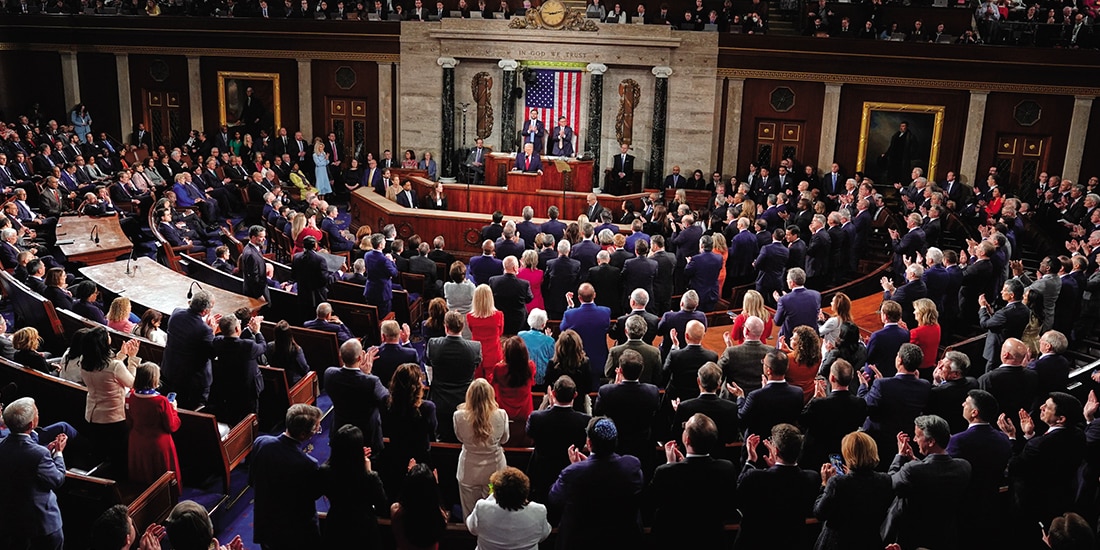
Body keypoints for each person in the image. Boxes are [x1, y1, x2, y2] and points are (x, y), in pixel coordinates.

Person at [548, 417, 644, 548]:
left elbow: (554, 498)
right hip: (621, 540)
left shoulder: (573, 473)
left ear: (589, 443)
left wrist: (578, 467)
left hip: (581, 542)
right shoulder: (631, 466)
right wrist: (583, 467)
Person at [998, 391, 1086, 529]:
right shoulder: (1079, 435)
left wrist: (1012, 436)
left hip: (1033, 503)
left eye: (1047, 407)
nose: (1041, 407)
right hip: (1063, 497)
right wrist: (1030, 434)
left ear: (1060, 419)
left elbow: (1014, 467)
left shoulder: (1038, 445)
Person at [883, 415, 972, 549]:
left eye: (917, 436)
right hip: (946, 537)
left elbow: (890, 483)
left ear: (931, 442)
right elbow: (933, 473)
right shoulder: (964, 467)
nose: (914, 440)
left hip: (915, 539)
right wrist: (915, 460)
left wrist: (900, 455)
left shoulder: (912, 470)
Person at [650, 412, 738, 547]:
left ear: (687, 440)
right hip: (712, 539)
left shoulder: (665, 472)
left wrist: (670, 465)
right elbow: (729, 507)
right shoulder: (726, 469)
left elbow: (651, 502)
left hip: (674, 539)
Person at [735, 424, 821, 550]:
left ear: (775, 450)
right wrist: (774, 467)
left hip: (757, 542)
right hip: (793, 543)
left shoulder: (754, 477)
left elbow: (737, 498)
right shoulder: (812, 478)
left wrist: (750, 461)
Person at [251, 404, 324, 549]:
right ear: (303, 435)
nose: (317, 431)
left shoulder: (261, 443)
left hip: (266, 526)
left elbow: (252, 481)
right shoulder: (308, 464)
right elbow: (313, 495)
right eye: (316, 428)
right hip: (295, 533)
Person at [0, 398, 67, 550]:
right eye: (37, 412)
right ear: (31, 424)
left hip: (10, 522)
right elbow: (57, 479)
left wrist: (46, 452)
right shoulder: (39, 454)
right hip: (41, 525)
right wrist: (58, 453)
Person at [813, 431, 894, 550]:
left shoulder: (837, 483)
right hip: (869, 543)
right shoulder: (885, 480)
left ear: (847, 454)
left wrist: (825, 484)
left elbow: (819, 513)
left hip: (838, 544)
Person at [82, 327, 140, 479]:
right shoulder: (114, 366)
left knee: (101, 453)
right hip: (113, 418)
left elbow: (107, 370)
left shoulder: (85, 361)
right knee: (119, 455)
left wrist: (122, 355)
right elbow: (132, 383)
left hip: (92, 415)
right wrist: (132, 360)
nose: (109, 335)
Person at [319, 425, 387, 547]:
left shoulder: (325, 471)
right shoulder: (368, 477)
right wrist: (368, 471)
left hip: (336, 527)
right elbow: (382, 506)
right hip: (364, 531)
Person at [454, 378, 510, 519]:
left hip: (469, 471)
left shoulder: (459, 416)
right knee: (493, 511)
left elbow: (460, 438)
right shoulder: (501, 415)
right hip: (494, 471)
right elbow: (504, 439)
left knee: (469, 513)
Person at [325, 338, 389, 456]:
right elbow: (387, 399)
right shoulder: (371, 382)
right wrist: (367, 374)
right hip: (366, 436)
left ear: (340, 356)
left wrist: (361, 374)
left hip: (340, 428)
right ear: (360, 358)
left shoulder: (329, 374)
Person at [800, 360, 868, 469]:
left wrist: (815, 398)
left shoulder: (818, 404)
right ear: (851, 378)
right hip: (845, 455)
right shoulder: (860, 403)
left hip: (816, 457)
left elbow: (801, 421)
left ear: (831, 378)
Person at [382, 363, 437, 492]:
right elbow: (432, 431)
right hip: (422, 461)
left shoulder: (387, 405)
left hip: (395, 459)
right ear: (416, 387)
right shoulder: (427, 408)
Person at [426, 311, 481, 442]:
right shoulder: (475, 347)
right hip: (465, 401)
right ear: (462, 327)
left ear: (446, 327)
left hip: (440, 400)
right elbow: (476, 367)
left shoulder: (433, 344)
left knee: (443, 436)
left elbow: (428, 367)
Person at [466, 467, 551, 549]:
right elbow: (544, 535)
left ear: (496, 494)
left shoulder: (482, 508)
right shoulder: (539, 511)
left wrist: (491, 497)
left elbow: (472, 528)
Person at [126, 362, 182, 485]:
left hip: (137, 441)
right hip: (158, 444)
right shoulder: (161, 401)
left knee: (142, 476)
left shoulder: (129, 396)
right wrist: (174, 409)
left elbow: (129, 421)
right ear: (154, 379)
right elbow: (171, 426)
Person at [161, 290, 218, 410]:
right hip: (192, 381)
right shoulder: (205, 330)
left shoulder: (176, 313)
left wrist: (204, 325)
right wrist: (212, 332)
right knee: (191, 409)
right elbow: (212, 353)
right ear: (205, 311)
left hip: (170, 370)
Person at [209, 315, 266, 425]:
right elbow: (263, 346)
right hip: (248, 389)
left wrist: (212, 331)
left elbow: (216, 340)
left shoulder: (218, 342)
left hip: (228, 385)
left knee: (233, 413)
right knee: (250, 415)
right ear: (236, 329)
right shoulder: (248, 345)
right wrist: (257, 331)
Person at [390, 463, 447, 550]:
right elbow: (435, 503)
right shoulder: (440, 517)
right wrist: (434, 485)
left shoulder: (396, 511)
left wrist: (410, 478)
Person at [492, 336, 537, 431]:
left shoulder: (499, 369)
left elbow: (492, 383)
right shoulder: (530, 367)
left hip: (503, 410)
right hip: (525, 410)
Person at [544, 329, 593, 412]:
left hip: (556, 406)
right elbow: (588, 388)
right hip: (578, 407)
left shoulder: (553, 364)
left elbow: (547, 386)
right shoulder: (584, 363)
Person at [468, 284, 505, 380]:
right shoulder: (499, 315)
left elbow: (471, 330)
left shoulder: (470, 317)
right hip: (493, 353)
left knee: (478, 383)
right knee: (493, 382)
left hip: (477, 352)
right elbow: (500, 333)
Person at [488, 256, 534, 335]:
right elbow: (529, 299)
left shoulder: (493, 281)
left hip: (500, 318)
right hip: (518, 321)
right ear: (515, 268)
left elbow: (490, 297)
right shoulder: (524, 284)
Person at [773, 267, 821, 342]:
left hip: (792, 340)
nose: (786, 281)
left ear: (792, 283)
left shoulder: (784, 300)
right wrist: (785, 300)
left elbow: (777, 322)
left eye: (787, 280)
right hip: (812, 339)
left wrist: (781, 302)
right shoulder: (816, 295)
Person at [779, 325, 822, 403]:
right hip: (810, 395)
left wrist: (781, 353)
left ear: (800, 344)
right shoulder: (818, 356)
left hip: (791, 396)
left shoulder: (788, 359)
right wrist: (791, 351)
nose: (790, 338)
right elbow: (803, 357)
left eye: (794, 338)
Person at [364, 233, 399, 318]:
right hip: (382, 293)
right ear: (380, 245)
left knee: (373, 317)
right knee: (384, 317)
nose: (385, 243)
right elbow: (395, 273)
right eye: (384, 241)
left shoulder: (367, 255)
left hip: (370, 290)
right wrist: (391, 261)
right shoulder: (384, 260)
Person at [265, 320, 309, 385]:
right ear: (290, 334)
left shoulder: (269, 346)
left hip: (276, 382)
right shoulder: (296, 350)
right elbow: (305, 369)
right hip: (294, 385)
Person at [909, 298, 941, 379]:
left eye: (915, 310)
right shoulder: (937, 327)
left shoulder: (916, 332)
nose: (913, 312)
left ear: (922, 312)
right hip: (930, 367)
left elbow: (907, 351)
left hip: (918, 370)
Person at [240, 225, 270, 302]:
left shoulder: (252, 247)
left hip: (260, 288)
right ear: (253, 237)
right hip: (256, 293)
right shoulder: (251, 254)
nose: (264, 239)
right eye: (261, 237)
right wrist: (259, 295)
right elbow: (253, 277)